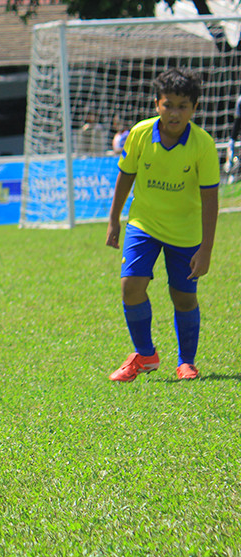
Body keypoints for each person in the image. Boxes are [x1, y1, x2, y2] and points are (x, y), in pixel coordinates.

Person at [105, 68, 219, 382]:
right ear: (157, 104)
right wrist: (114, 219)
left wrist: (206, 249)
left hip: (185, 232)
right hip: (144, 224)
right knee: (131, 286)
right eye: (168, 104)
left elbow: (210, 199)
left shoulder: (203, 145)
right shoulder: (140, 133)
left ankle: (186, 362)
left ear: (194, 109)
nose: (174, 112)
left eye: (183, 106)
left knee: (182, 296)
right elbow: (126, 174)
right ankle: (145, 355)